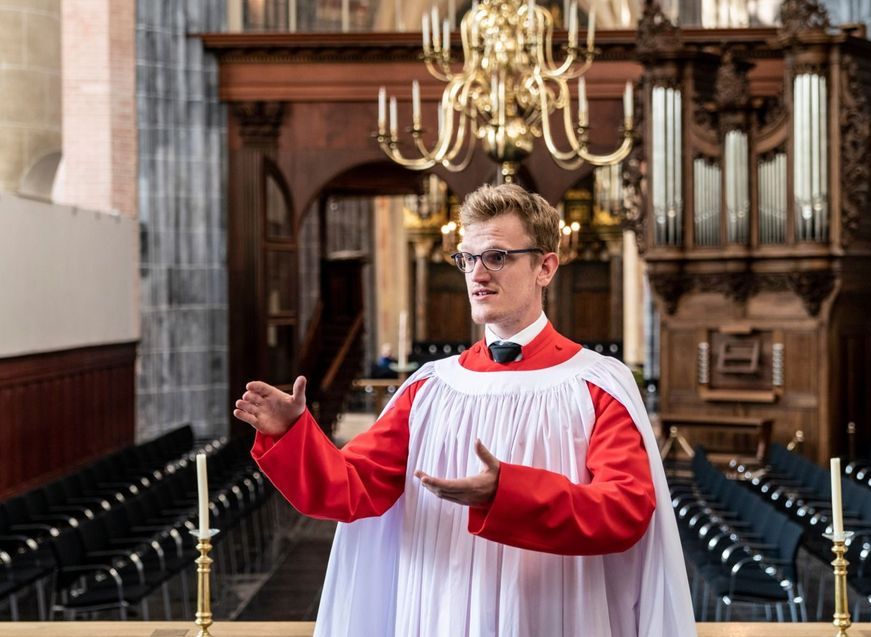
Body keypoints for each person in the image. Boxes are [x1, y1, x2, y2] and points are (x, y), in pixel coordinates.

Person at [233, 184, 696, 636]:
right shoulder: (430, 388)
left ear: (545, 267)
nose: (477, 274)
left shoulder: (595, 385)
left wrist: (508, 493)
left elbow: (625, 511)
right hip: (442, 607)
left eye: (496, 256)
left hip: (548, 612)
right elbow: (351, 489)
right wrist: (293, 433)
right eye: (467, 259)